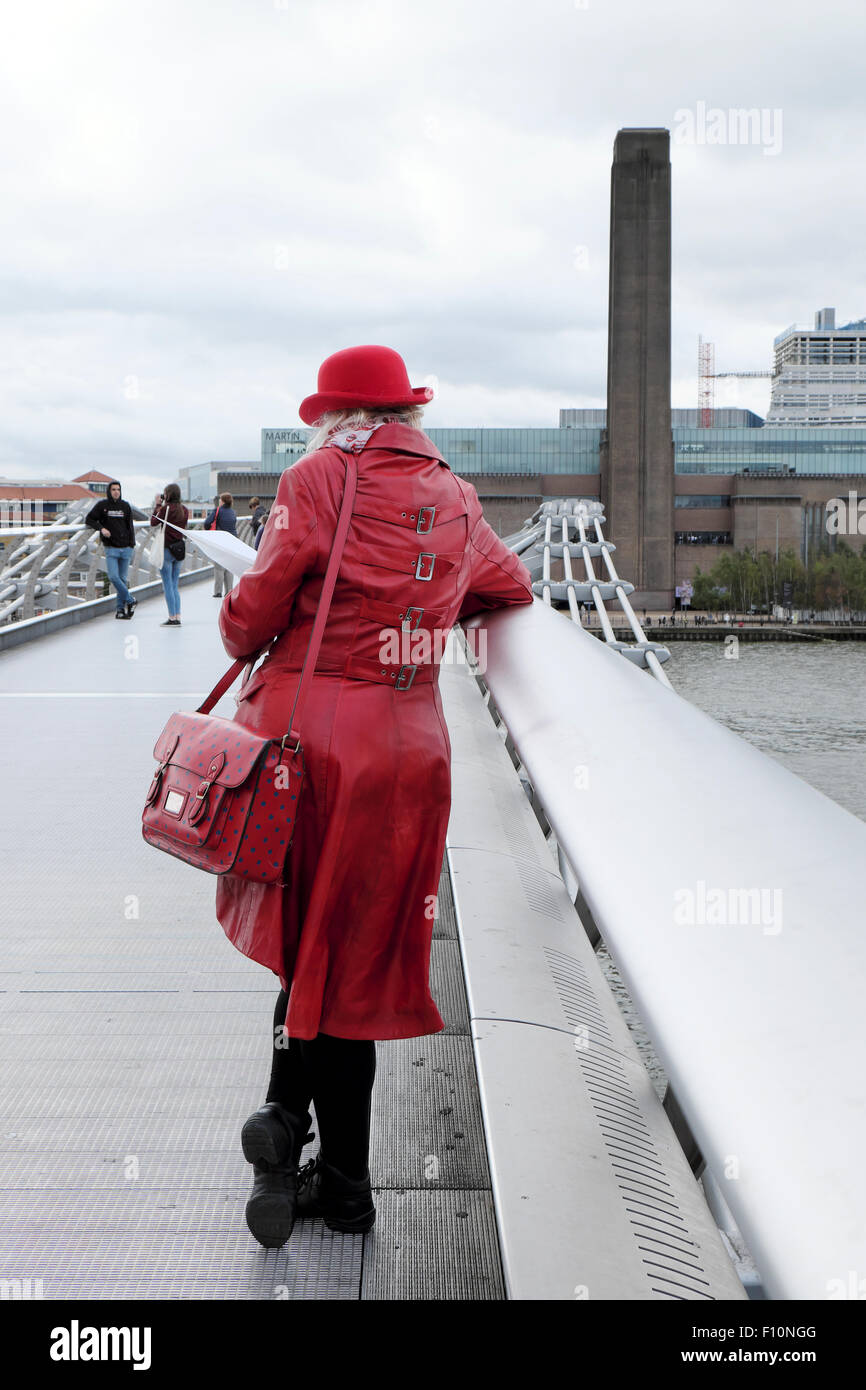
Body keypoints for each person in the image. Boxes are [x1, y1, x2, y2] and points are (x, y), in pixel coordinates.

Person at [214, 344, 534, 1250]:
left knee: (306, 946)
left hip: (309, 743)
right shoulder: (458, 496)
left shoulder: (315, 479)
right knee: (346, 957)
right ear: (408, 416)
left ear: (334, 417)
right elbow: (508, 589)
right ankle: (333, 1175)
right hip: (407, 752)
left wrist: (239, 597)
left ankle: (290, 1123)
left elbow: (252, 618)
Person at [85, 479, 137, 619]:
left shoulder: (125, 506)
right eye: (113, 489)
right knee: (113, 577)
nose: (116, 492)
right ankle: (131, 600)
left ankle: (120, 610)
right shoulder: (102, 505)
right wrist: (101, 529)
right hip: (111, 548)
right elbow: (89, 519)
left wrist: (131, 545)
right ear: (109, 491)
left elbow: (130, 527)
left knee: (122, 579)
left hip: (126, 548)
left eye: (118, 490)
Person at [150, 483, 189, 626]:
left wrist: (157, 506)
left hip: (166, 550)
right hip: (179, 549)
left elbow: (153, 522)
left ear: (168, 495)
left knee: (168, 585)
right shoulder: (184, 510)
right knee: (174, 585)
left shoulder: (165, 509)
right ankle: (178, 615)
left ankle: (172, 617)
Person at [205, 492, 238, 598]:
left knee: (219, 566)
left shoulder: (218, 510)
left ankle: (218, 591)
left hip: (221, 541)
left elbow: (207, 523)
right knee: (229, 566)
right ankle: (229, 590)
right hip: (233, 541)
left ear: (222, 501)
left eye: (220, 499)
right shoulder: (233, 512)